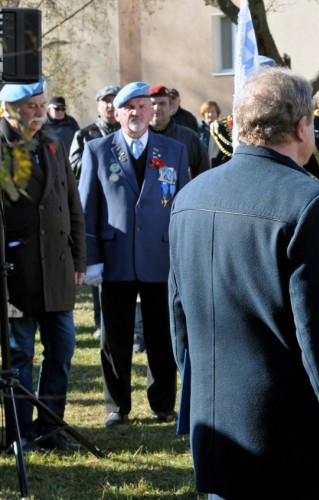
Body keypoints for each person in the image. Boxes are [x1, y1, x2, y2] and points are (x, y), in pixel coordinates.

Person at [169, 66, 319, 499]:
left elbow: (179, 323)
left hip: (217, 434)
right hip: (293, 448)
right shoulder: (312, 203)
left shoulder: (190, 195)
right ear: (304, 126)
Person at [79, 81, 190, 427]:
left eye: (143, 106)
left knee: (161, 334)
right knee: (114, 338)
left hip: (161, 257)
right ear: (116, 112)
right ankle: (117, 407)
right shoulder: (98, 149)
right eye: (130, 108)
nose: (138, 113)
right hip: (116, 259)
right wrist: (91, 258)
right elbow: (87, 209)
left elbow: (182, 205)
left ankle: (163, 404)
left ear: (152, 110)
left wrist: (184, 256)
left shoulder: (173, 150)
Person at [0, 78, 86, 451]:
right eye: (32, 105)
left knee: (62, 351)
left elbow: (72, 205)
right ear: (9, 109)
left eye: (42, 103)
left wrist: (79, 257)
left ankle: (49, 429)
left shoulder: (53, 142)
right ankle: (19, 433)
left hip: (57, 269)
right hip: (16, 272)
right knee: (19, 356)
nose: (40, 111)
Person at [69, 84, 121, 338]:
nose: (111, 105)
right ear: (98, 105)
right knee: (96, 264)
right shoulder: (85, 134)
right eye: (106, 101)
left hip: (119, 207)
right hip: (94, 204)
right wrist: (99, 157)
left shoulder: (128, 132)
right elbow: (74, 164)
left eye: (115, 100)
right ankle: (101, 321)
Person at [150, 84, 209, 179]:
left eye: (162, 104)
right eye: (153, 104)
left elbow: (203, 173)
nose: (157, 108)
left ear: (170, 108)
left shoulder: (189, 137)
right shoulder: (140, 138)